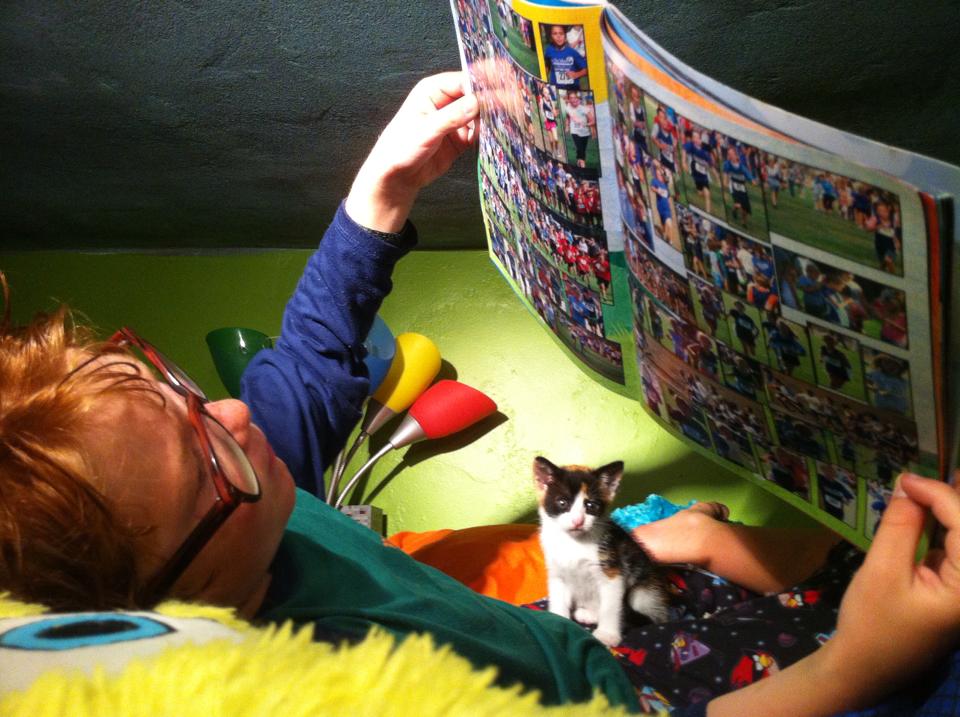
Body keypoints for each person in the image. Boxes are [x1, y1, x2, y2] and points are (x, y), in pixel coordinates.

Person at [4, 72, 960, 717]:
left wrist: (381, 191)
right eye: (203, 456)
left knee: (837, 563)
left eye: (176, 390)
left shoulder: (256, 492)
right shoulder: (330, 688)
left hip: (582, 647)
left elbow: (306, 362)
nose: (233, 413)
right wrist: (852, 667)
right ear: (178, 606)